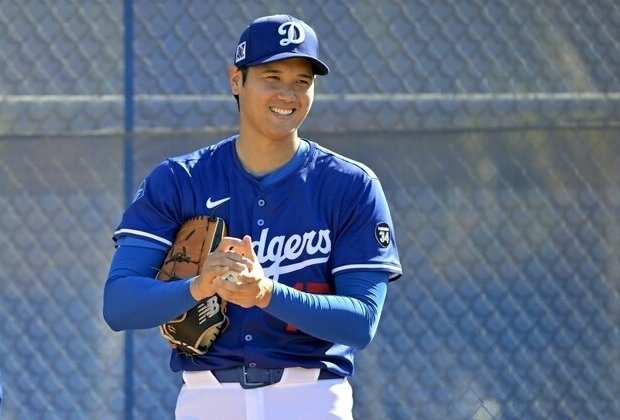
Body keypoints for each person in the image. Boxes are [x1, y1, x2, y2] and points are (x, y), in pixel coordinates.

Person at [103, 14, 402, 420]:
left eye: (302, 80)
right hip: (209, 399)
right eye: (272, 76)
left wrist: (266, 294)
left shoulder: (350, 186)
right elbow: (119, 304)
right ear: (235, 80)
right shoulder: (181, 180)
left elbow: (362, 321)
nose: (288, 93)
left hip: (313, 397)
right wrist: (197, 286)